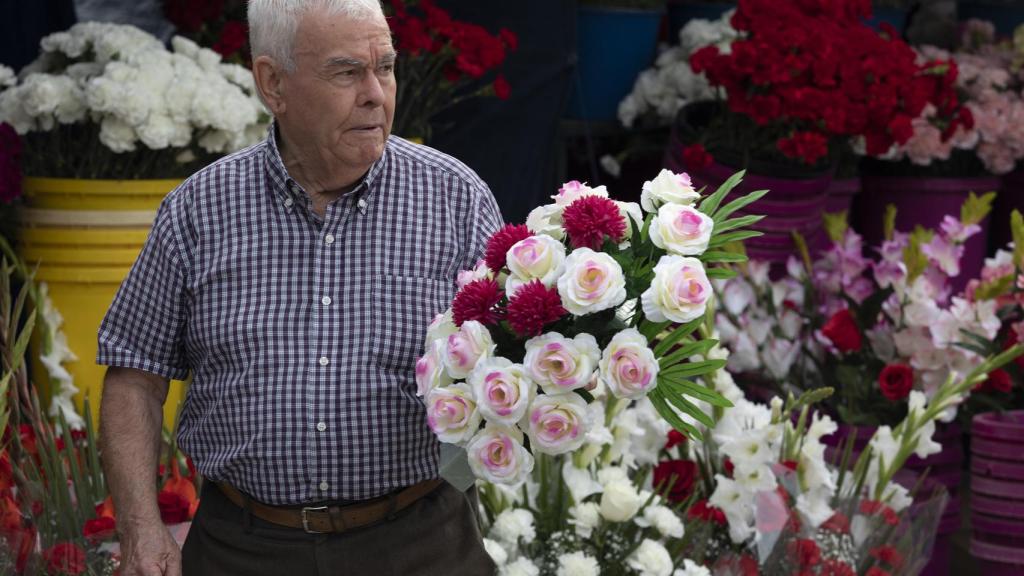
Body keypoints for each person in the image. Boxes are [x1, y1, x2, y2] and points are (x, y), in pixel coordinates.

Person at [96, 1, 502, 574]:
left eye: (384, 67)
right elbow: (134, 373)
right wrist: (141, 530)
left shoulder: (454, 198)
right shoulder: (201, 209)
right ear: (273, 83)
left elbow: (515, 361)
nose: (375, 94)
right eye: (345, 72)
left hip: (418, 542)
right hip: (243, 548)